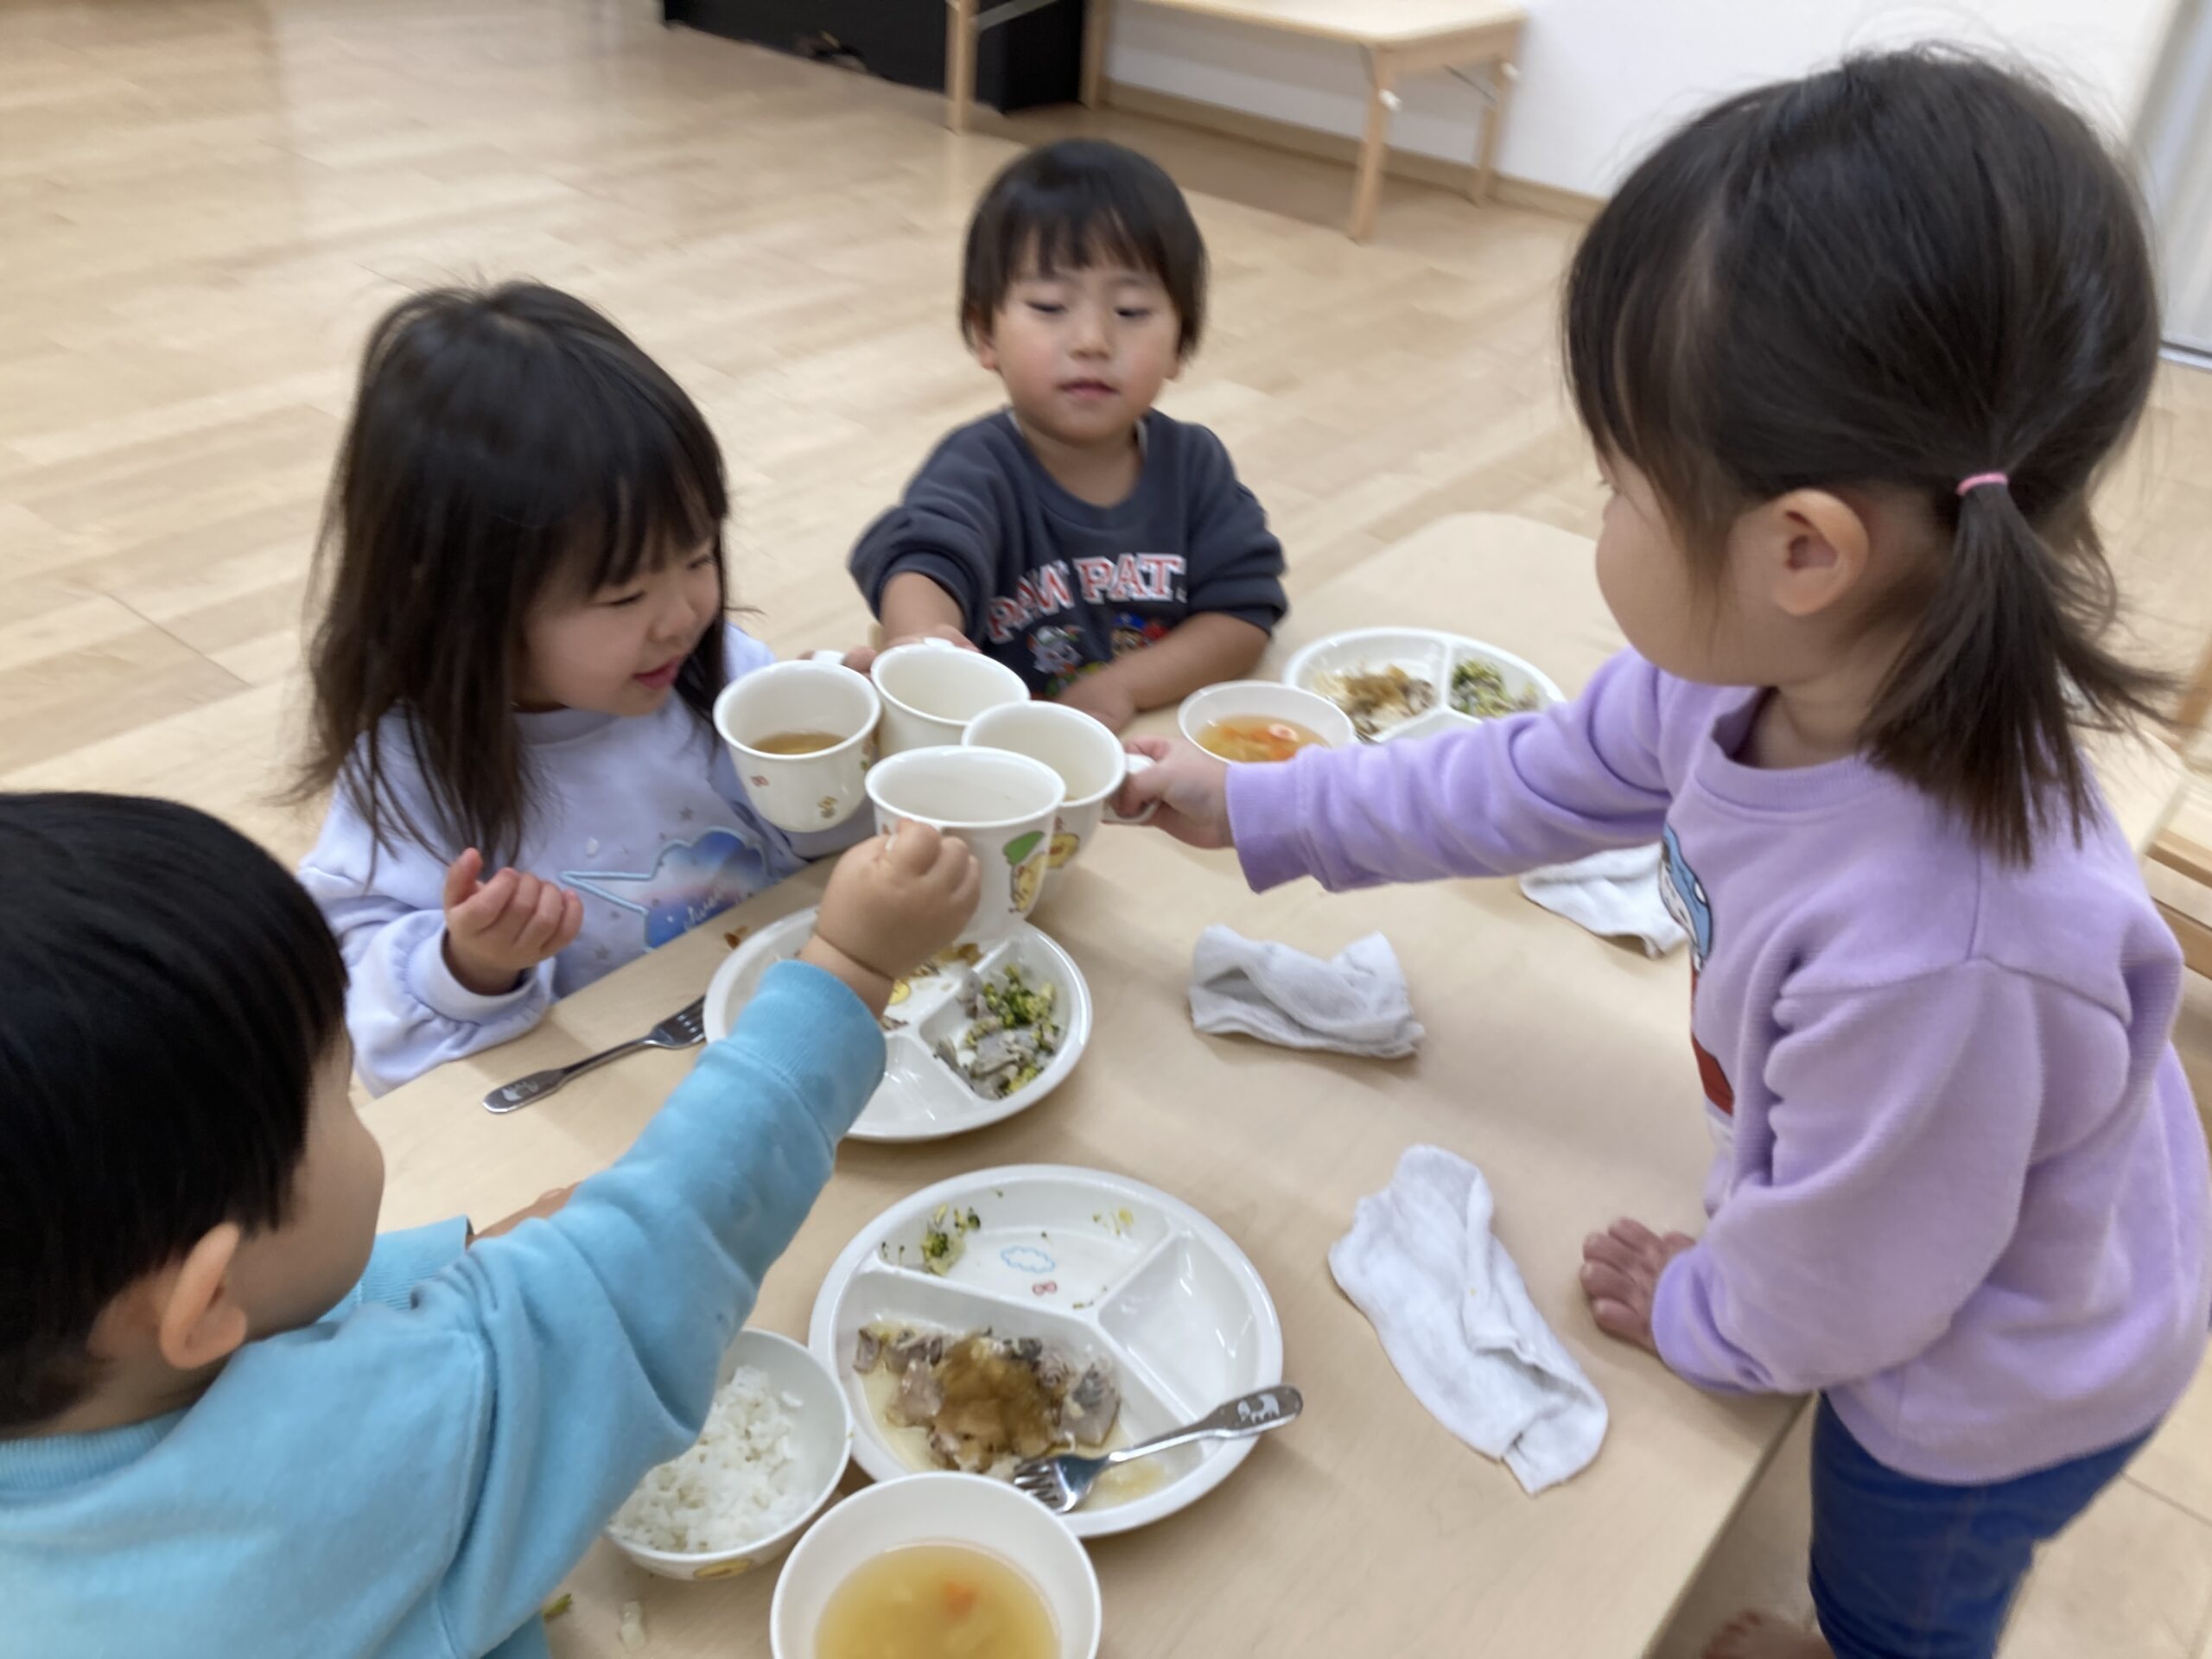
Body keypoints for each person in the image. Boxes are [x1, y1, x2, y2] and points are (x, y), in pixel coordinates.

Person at [1120, 50, 2209, 1659]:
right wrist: (1267, 807)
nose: (1603, 516)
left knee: (1898, 1584)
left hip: (1998, 1371)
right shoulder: (1750, 674)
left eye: (1620, 484)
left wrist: (1706, 1311)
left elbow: (1849, 1293)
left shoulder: (1948, 946)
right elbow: (1528, 779)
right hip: (1925, 1201)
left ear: (1803, 549)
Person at [0, 790, 979, 1658]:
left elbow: (274, 1322)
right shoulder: (349, 1461)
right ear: (207, 1297)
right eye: (337, 1092)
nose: (353, 1106)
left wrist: (469, 1256)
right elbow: (665, 1242)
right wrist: (848, 969)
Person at [294, 282, 818, 1094]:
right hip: (600, 1102)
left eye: (698, 556)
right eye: (624, 596)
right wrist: (468, 964)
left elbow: (816, 855)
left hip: (777, 1044)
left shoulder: (715, 675)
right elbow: (356, 1003)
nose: (683, 616)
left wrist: (848, 759)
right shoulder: (409, 770)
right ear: (463, 600)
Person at [847, 139, 1287, 733]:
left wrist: (1121, 686)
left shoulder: (1194, 466)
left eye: (1130, 311)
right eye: (1051, 305)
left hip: (1144, 747)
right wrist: (925, 639)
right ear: (985, 334)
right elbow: (922, 561)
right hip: (1001, 757)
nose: (1092, 341)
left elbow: (1243, 614)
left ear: (1180, 347)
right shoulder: (977, 467)